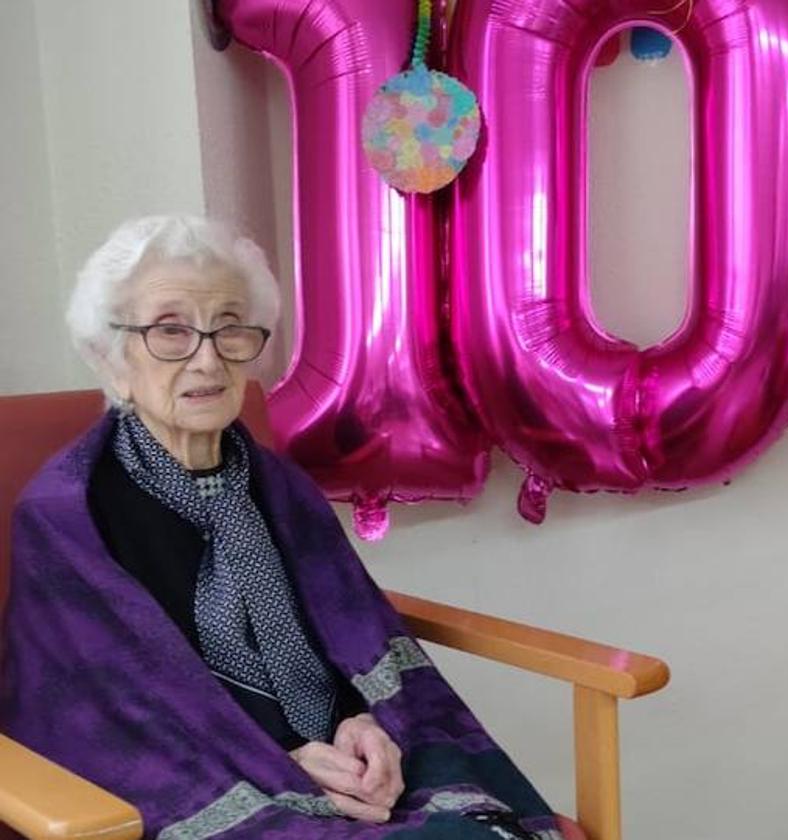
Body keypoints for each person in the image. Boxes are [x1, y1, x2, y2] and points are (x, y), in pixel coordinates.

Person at [0, 216, 569, 839]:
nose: (208, 359)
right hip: (207, 784)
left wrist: (364, 722)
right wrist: (277, 760)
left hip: (348, 762)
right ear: (109, 357)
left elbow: (345, 633)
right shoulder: (68, 518)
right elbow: (106, 720)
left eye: (231, 329)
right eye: (170, 331)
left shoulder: (277, 484)